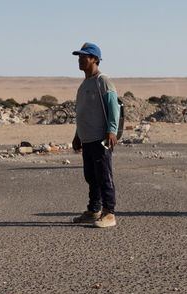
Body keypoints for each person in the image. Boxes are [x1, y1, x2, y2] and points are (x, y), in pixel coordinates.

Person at [71, 43, 120, 228]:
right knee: (91, 177)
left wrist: (112, 130)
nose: (80, 60)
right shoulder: (83, 85)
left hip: (101, 138)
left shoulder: (103, 81)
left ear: (95, 59)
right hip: (87, 138)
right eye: (79, 56)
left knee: (104, 176)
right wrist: (77, 135)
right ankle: (94, 210)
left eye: (84, 56)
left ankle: (109, 213)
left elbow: (113, 107)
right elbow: (82, 113)